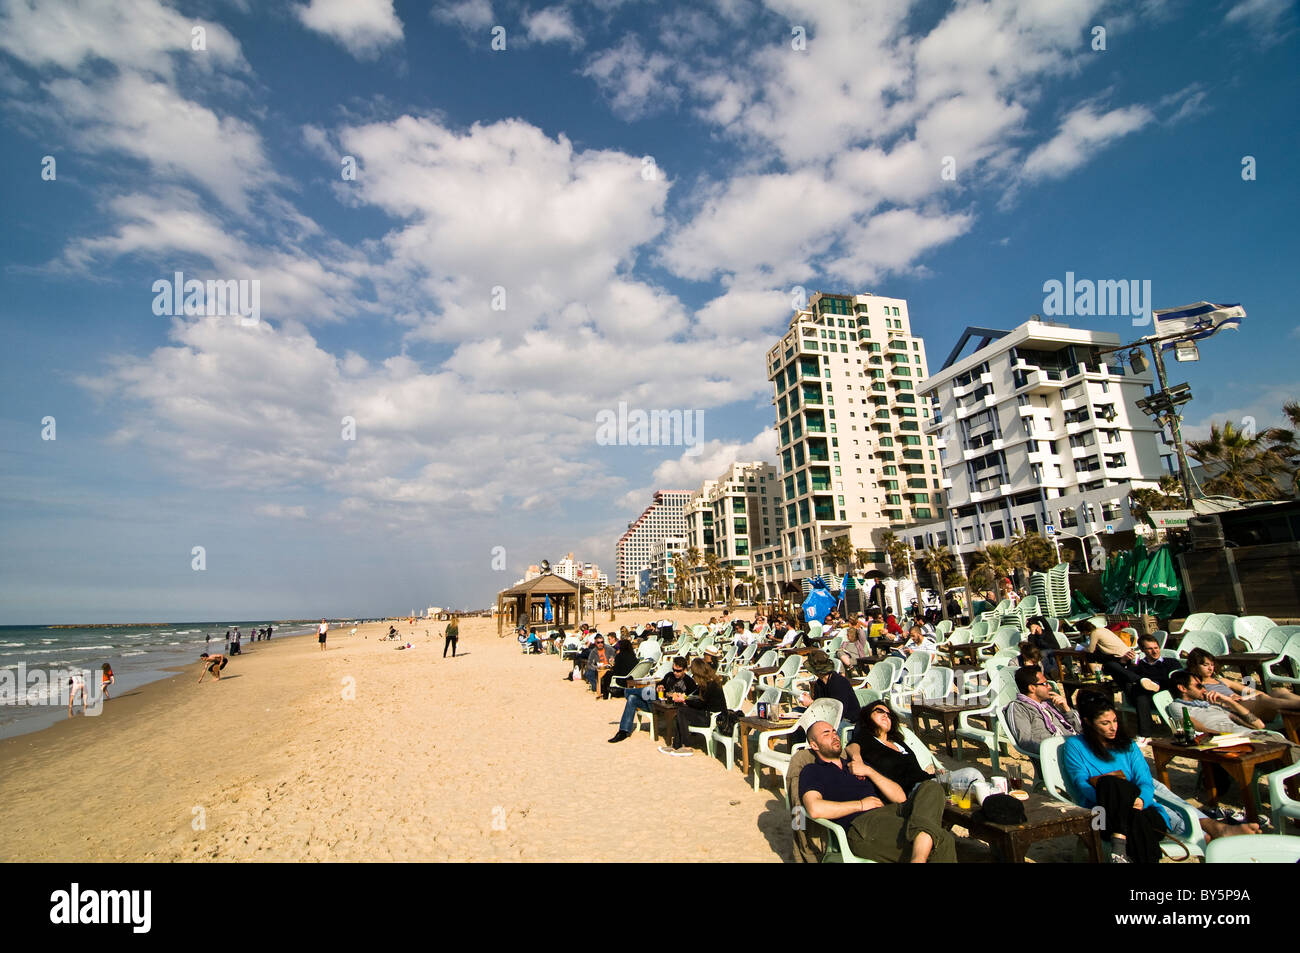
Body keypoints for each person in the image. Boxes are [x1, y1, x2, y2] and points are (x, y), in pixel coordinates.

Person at [799, 720, 955, 863]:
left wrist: (869, 771)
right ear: (814, 745)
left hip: (892, 813)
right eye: (826, 734)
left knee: (931, 787)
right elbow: (814, 808)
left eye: (834, 731)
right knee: (942, 841)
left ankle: (918, 857)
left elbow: (900, 797)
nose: (834, 736)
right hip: (863, 826)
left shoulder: (856, 764)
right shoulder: (813, 771)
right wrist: (860, 805)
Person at [1061, 693, 1169, 863]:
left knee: (1131, 806)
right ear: (1088, 722)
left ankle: (1119, 846)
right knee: (1109, 783)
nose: (1113, 727)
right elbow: (1081, 784)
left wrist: (1141, 800)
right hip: (1101, 816)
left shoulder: (1128, 746)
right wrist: (1115, 800)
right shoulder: (1075, 746)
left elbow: (1145, 781)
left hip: (1143, 810)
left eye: (1115, 721)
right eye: (1105, 723)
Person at [1184, 647, 1300, 719]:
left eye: (1212, 665)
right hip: (1235, 711)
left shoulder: (1222, 681)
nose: (1210, 669)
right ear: (1194, 666)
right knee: (1263, 699)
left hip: (1245, 703)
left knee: (1279, 691)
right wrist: (1229, 699)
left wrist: (1248, 696)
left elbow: (1252, 691)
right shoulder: (1195, 686)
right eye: (1205, 665)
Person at [845, 700, 934, 791]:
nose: (885, 715)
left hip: (927, 783)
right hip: (909, 793)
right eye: (879, 711)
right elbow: (851, 746)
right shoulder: (867, 739)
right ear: (868, 716)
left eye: (889, 715)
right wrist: (858, 760)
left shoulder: (897, 742)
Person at [609, 656, 694, 743]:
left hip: (671, 710)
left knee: (646, 691)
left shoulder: (689, 682)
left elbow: (693, 699)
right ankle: (623, 731)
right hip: (657, 705)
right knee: (633, 698)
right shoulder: (669, 676)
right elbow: (660, 684)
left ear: (685, 670)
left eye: (678, 671)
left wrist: (681, 698)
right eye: (674, 670)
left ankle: (623, 692)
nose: (675, 673)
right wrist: (659, 686)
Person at [1005, 665, 1081, 757]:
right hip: (1060, 755)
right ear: (1032, 688)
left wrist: (1067, 710)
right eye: (1045, 684)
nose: (1049, 687)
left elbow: (1080, 729)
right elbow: (1025, 743)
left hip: (1076, 746)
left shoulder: (1050, 703)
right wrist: (1060, 751)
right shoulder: (1019, 708)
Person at [659, 658, 726, 756]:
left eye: (694, 674)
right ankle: (676, 745)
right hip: (707, 713)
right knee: (681, 711)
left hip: (713, 717)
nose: (693, 677)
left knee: (681, 711)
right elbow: (696, 697)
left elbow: (701, 703)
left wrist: (684, 700)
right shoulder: (708, 682)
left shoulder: (711, 685)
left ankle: (686, 746)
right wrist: (685, 698)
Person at [1167, 670, 1267, 734]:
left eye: (1203, 686)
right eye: (1199, 686)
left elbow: (1259, 725)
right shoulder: (1176, 706)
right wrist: (1228, 737)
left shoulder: (1210, 705)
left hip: (1247, 736)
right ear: (1182, 688)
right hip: (1231, 741)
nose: (1204, 690)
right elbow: (1199, 729)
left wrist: (1229, 701)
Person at [797, 650, 861, 725]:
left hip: (847, 720)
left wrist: (811, 703)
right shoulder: (819, 683)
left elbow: (837, 712)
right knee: (797, 710)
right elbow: (821, 706)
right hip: (828, 716)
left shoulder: (839, 683)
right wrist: (811, 701)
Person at [1133, 635, 1183, 730]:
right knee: (1139, 692)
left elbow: (1178, 681)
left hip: (1168, 695)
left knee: (1140, 694)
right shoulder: (1139, 666)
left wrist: (1157, 684)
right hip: (1148, 697)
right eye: (1150, 649)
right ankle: (1145, 735)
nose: (1155, 651)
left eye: (1156, 648)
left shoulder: (1171, 662)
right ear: (1143, 650)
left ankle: (1144, 734)